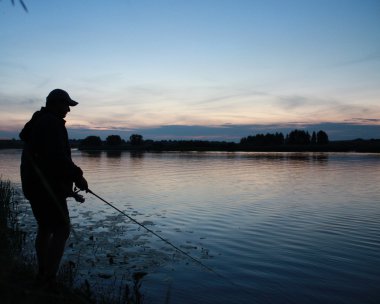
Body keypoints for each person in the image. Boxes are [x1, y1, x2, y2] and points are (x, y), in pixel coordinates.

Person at [19, 89, 88, 289]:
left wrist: (68, 186)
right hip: (45, 187)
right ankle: (48, 279)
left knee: (45, 227)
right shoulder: (52, 123)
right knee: (62, 229)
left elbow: (48, 159)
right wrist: (78, 176)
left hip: (34, 185)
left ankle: (42, 274)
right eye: (66, 105)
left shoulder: (39, 121)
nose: (68, 110)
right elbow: (57, 157)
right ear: (56, 103)